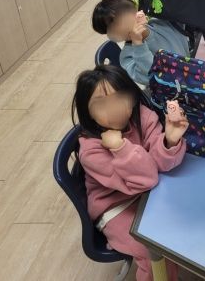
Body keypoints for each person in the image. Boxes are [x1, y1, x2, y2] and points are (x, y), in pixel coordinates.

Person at [73, 65, 188, 281]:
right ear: (87, 112)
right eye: (101, 103)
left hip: (148, 195)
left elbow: (159, 165)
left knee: (183, 225)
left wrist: (169, 140)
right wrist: (120, 148)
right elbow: (148, 178)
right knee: (153, 251)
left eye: (119, 98)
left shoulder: (143, 116)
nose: (114, 109)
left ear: (132, 97)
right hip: (116, 208)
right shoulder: (91, 150)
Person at [92, 0, 191, 86]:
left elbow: (183, 10)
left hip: (192, 71)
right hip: (172, 92)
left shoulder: (161, 23)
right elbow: (151, 77)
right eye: (112, 27)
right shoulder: (127, 57)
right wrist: (138, 45)